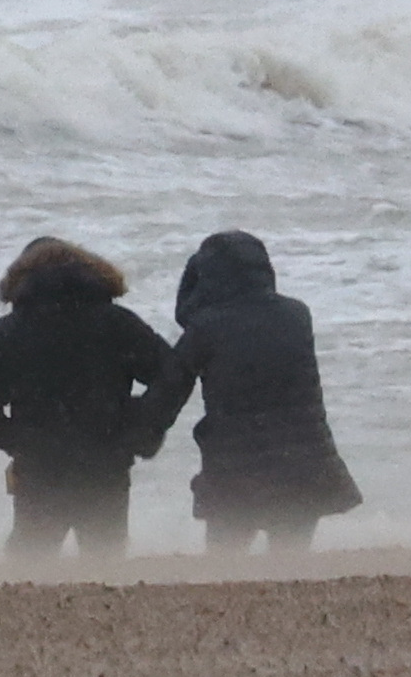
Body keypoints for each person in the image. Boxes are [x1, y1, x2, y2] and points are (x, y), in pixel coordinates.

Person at [139, 230, 362, 552]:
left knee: (224, 568)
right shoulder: (296, 315)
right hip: (303, 465)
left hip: (236, 471)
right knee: (290, 566)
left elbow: (168, 394)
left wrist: (136, 436)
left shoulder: (206, 327)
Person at [0, 236, 172, 558]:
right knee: (107, 570)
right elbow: (171, 377)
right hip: (106, 466)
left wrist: (23, 442)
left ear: (21, 281)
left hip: (40, 471)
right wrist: (137, 428)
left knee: (27, 572)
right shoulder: (118, 325)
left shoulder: (3, 334)